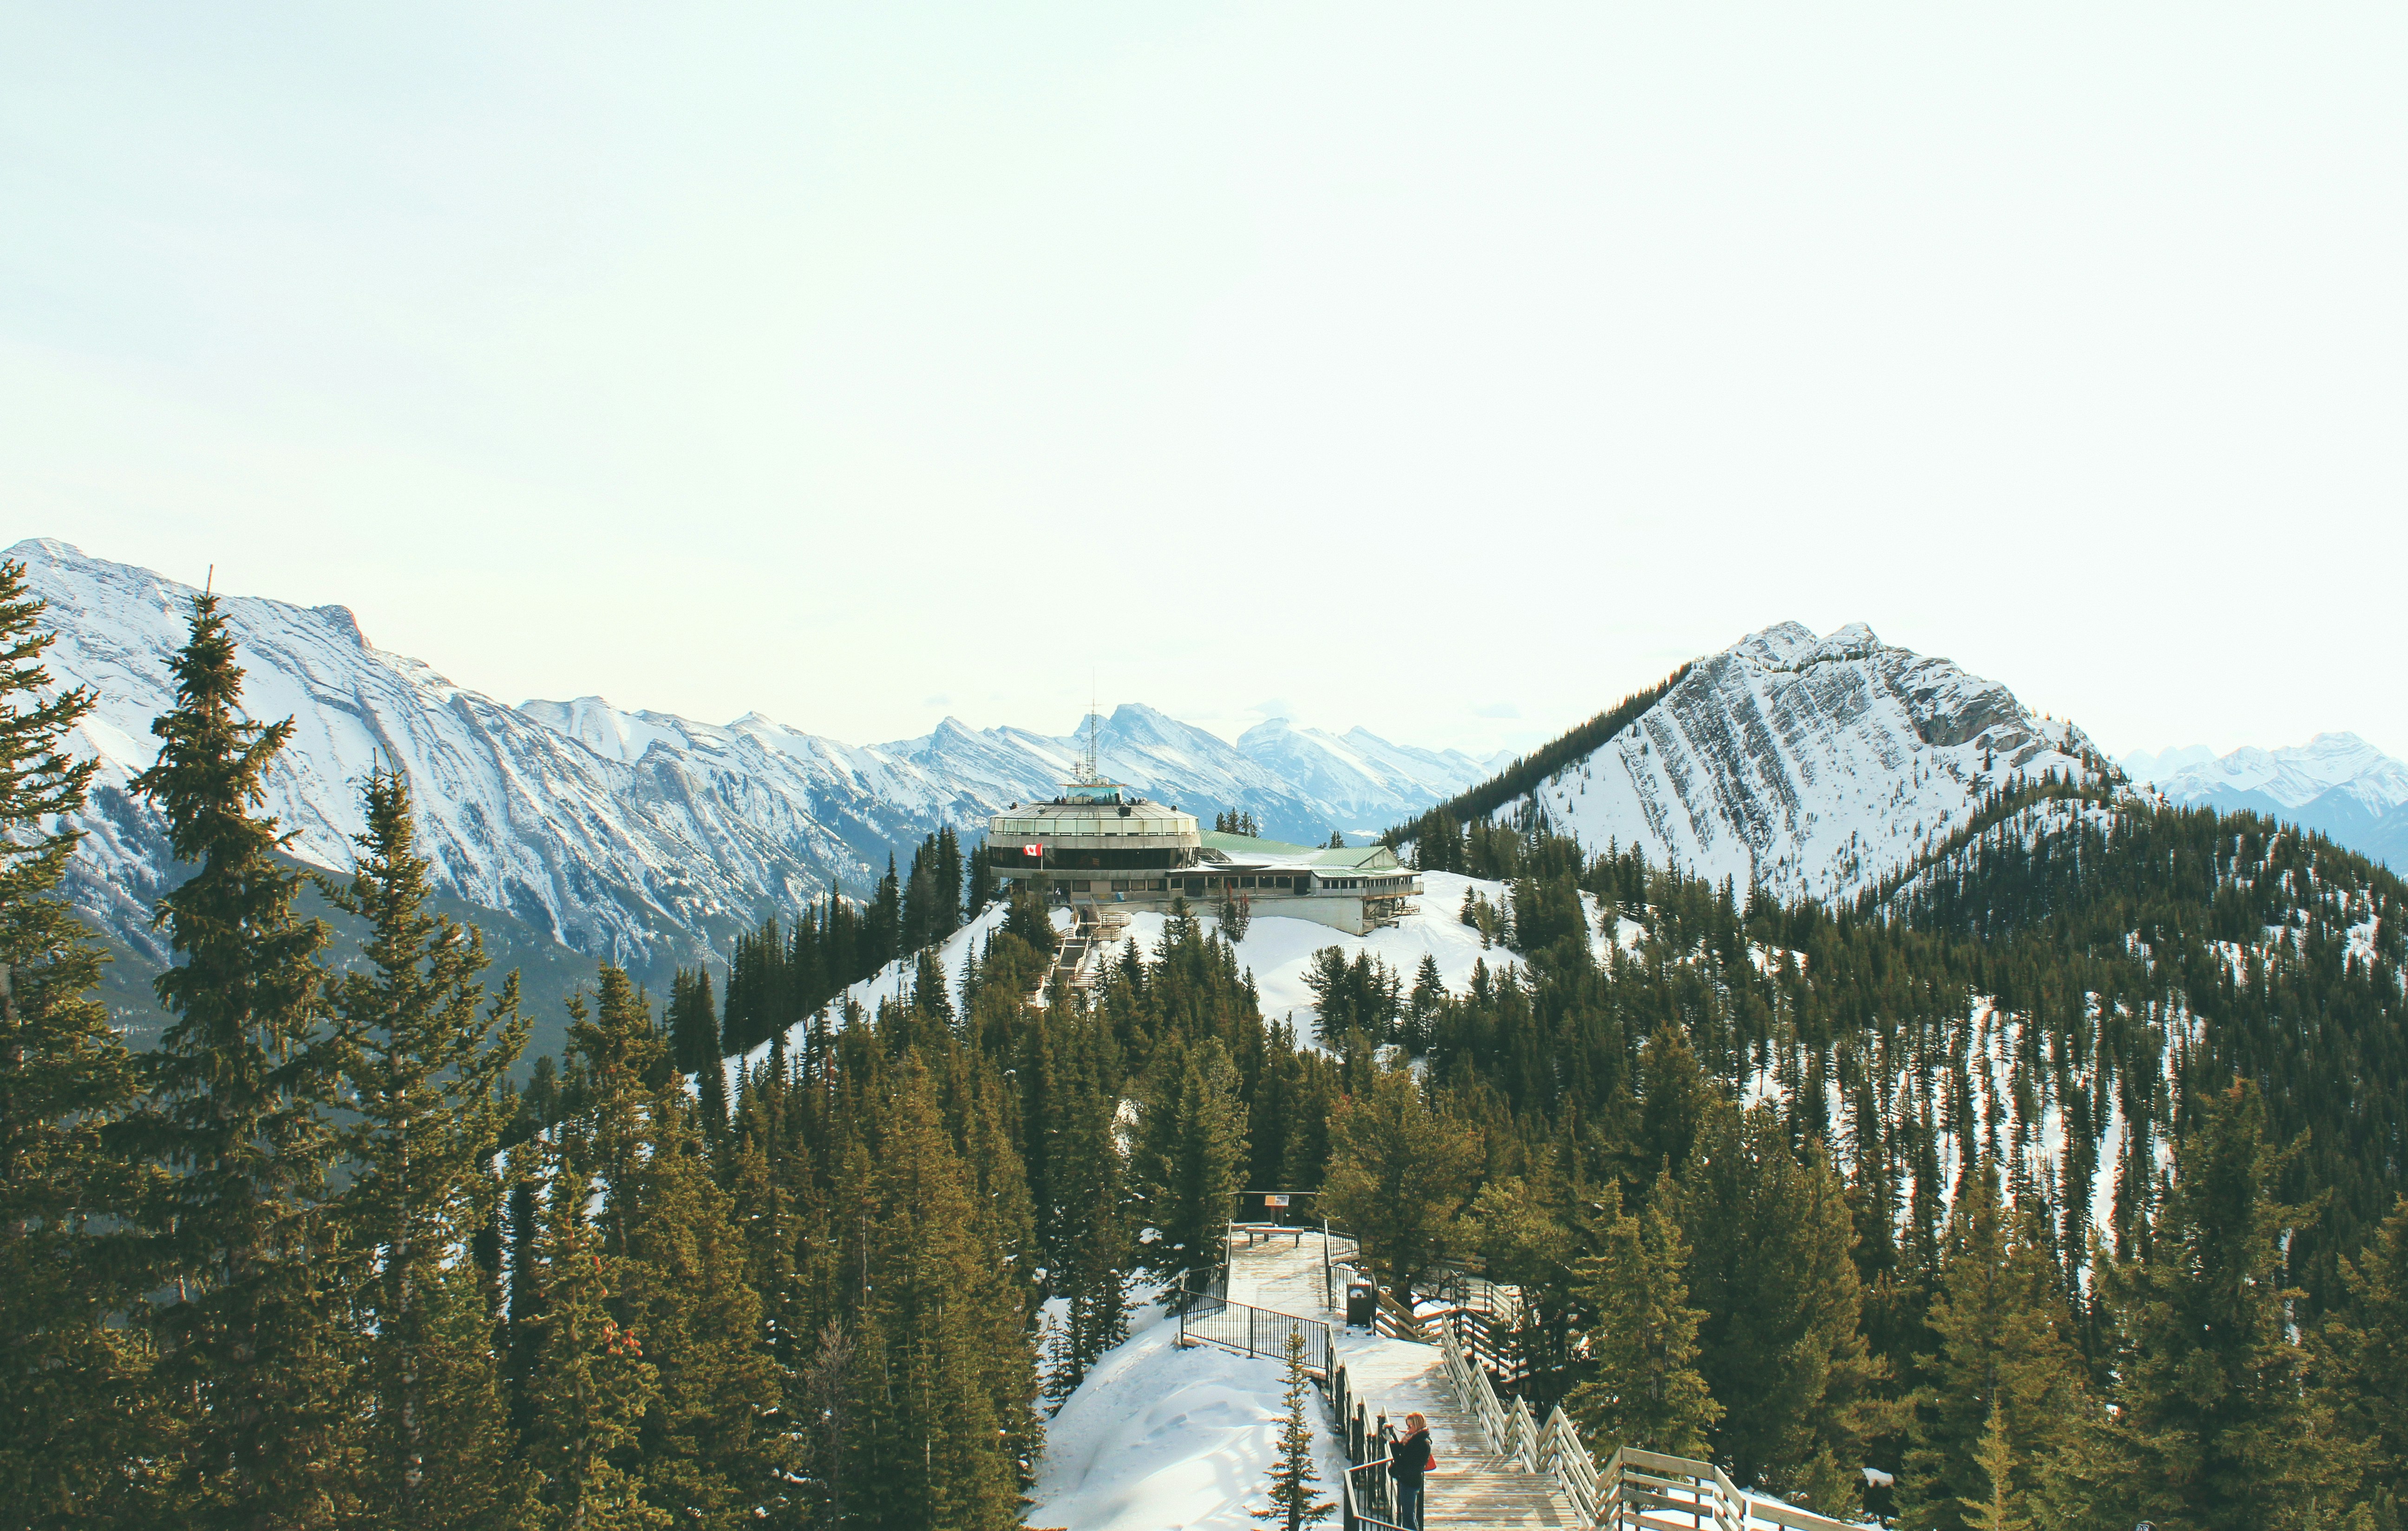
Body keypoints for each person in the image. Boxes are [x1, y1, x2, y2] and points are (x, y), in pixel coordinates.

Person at [1388, 1412, 1436, 1530]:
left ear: (1418, 1425)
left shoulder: (1420, 1443)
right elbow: (1403, 1451)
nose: (1408, 1429)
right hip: (1409, 1480)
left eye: (1410, 1426)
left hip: (1410, 1482)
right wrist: (1392, 1436)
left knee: (1408, 1517)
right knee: (1409, 1516)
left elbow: (1402, 1461)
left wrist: (1391, 1443)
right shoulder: (1415, 1439)